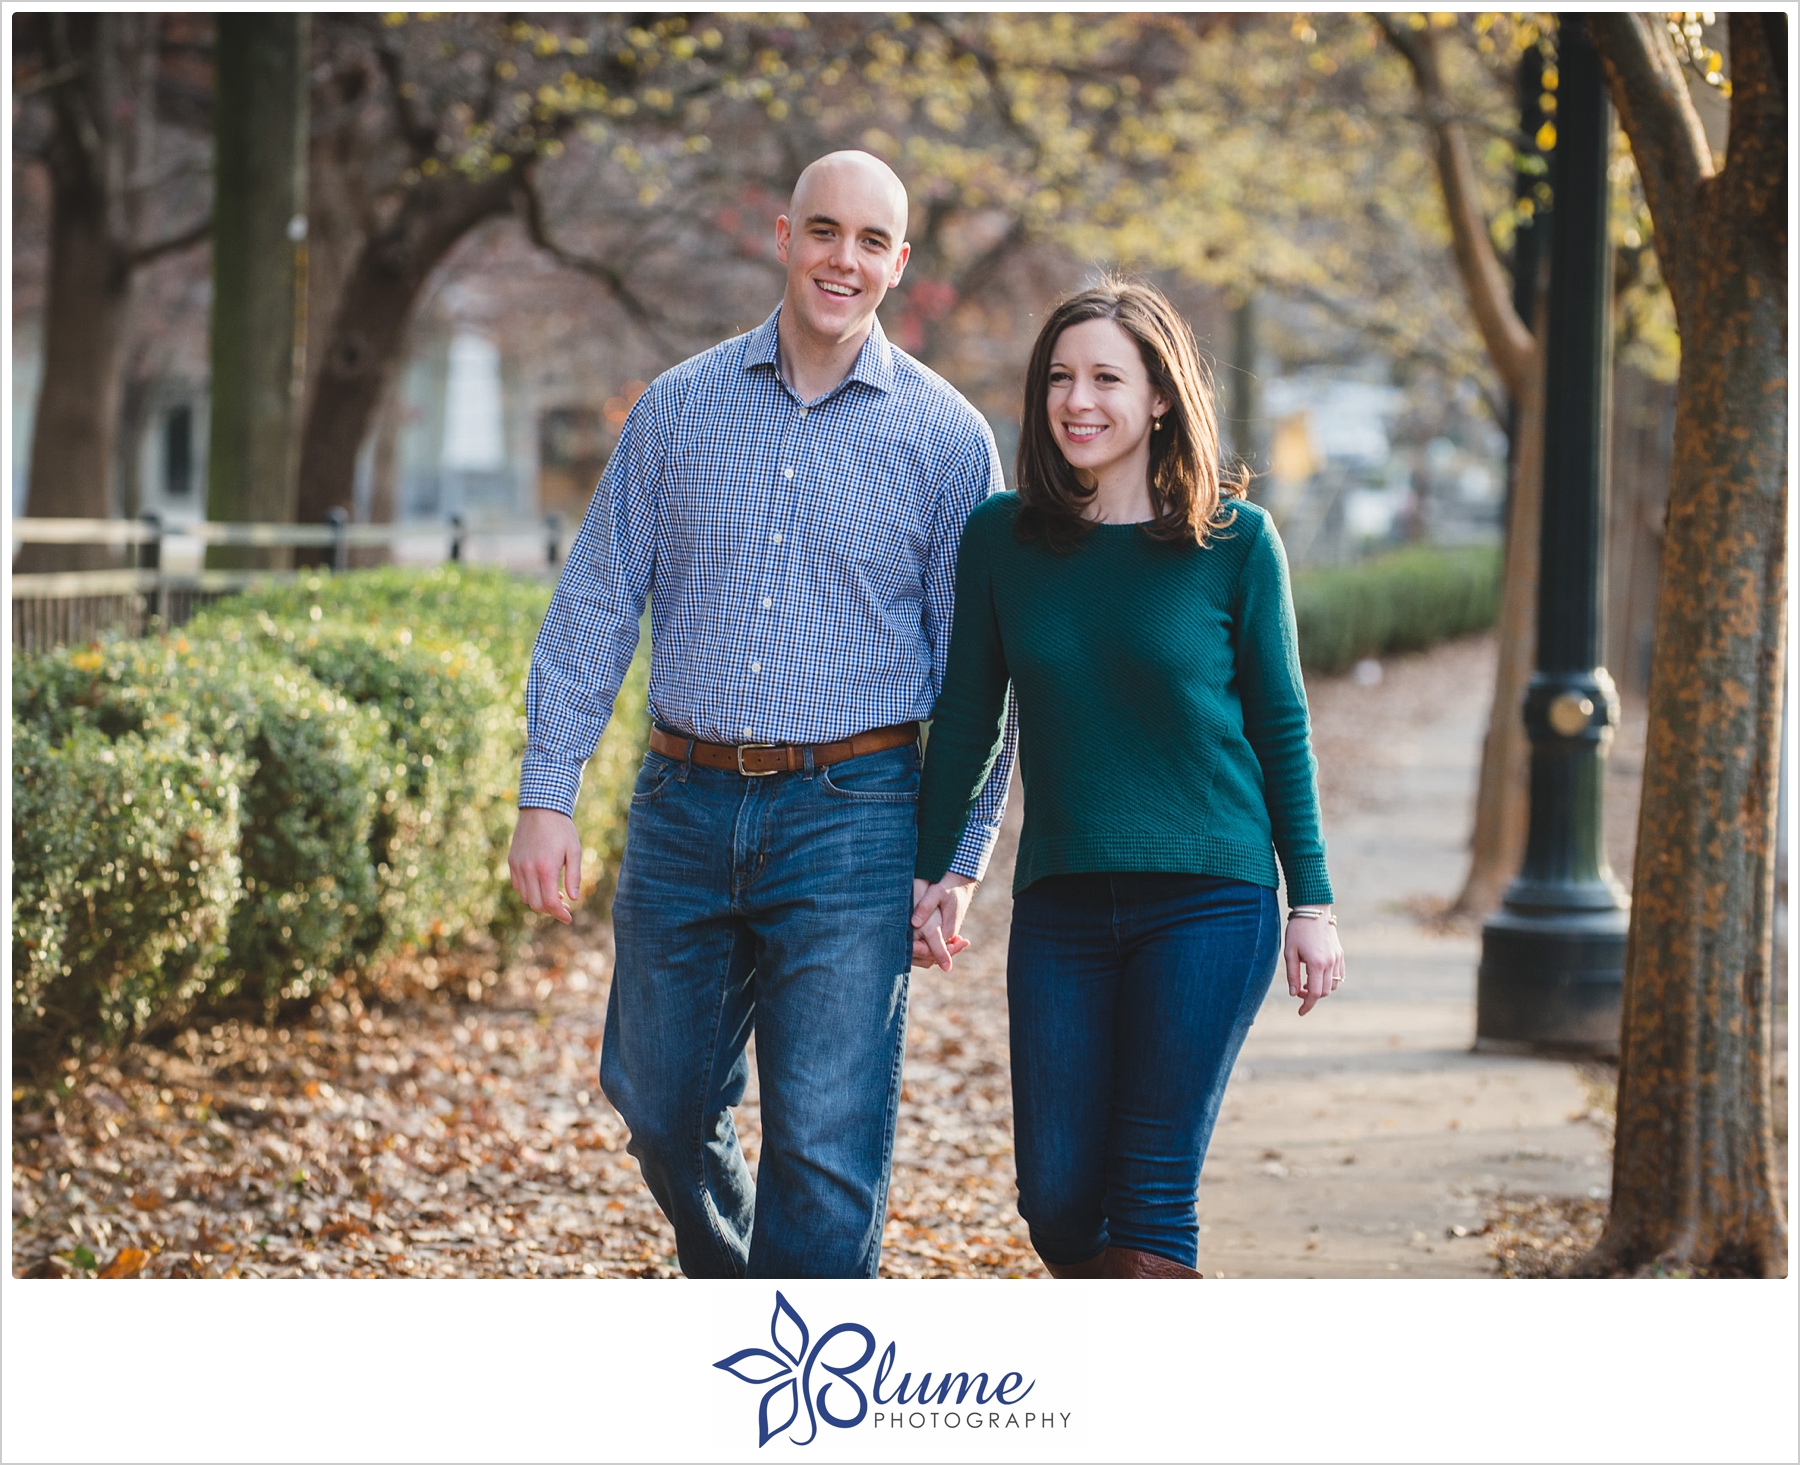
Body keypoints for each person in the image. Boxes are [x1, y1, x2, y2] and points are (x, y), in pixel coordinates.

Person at [508, 151, 1015, 1279]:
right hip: (684, 804)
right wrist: (549, 793)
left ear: (899, 264)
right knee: (656, 1101)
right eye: (824, 231)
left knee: (828, 1146)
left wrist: (959, 859)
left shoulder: (948, 440)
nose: (844, 259)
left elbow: (980, 676)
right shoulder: (678, 410)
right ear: (784, 236)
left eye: (871, 241)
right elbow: (595, 601)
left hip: (854, 814)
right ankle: (748, 1305)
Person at [909, 279, 1344, 1280]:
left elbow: (1281, 725)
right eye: (1060, 377)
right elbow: (973, 713)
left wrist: (1311, 899)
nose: (1077, 400)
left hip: (1209, 898)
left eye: (1107, 376)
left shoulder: (1235, 544)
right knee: (1058, 1200)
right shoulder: (1002, 538)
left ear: (1159, 396)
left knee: (1149, 1194)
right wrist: (930, 870)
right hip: (1063, 901)